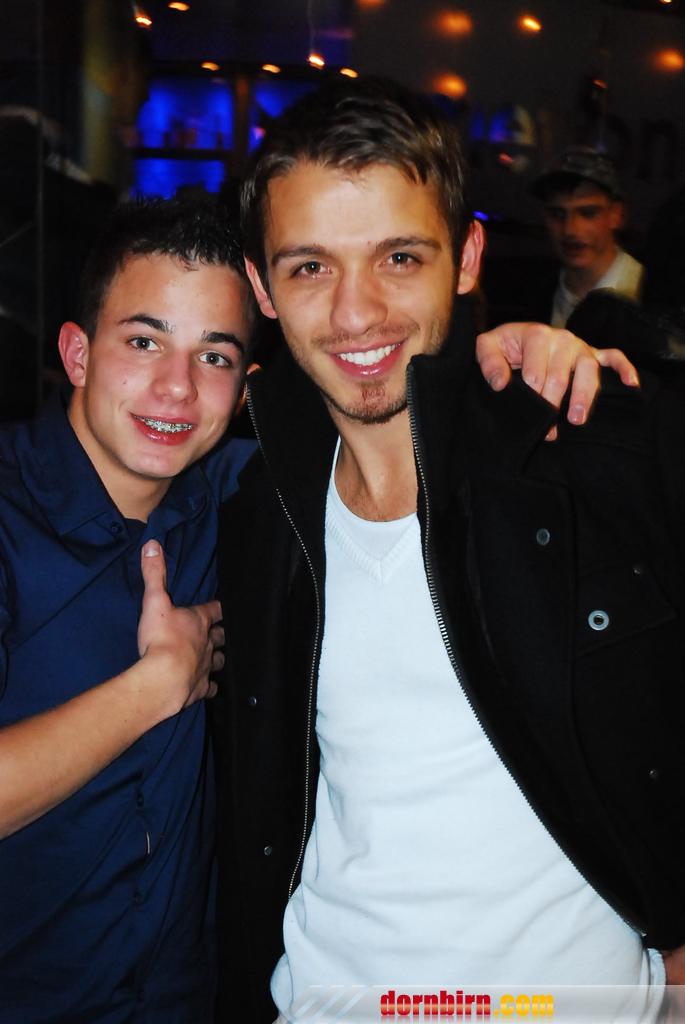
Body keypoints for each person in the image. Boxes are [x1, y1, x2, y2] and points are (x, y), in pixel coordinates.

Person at [213, 77, 685, 1023]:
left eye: (398, 257)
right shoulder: (262, 518)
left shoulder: (588, 450)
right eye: (309, 268)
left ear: (466, 257)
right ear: (262, 287)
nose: (356, 312)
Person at [0, 192, 257, 1023]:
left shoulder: (234, 499)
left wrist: (517, 366)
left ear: (243, 387)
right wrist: (156, 688)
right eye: (144, 342)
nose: (176, 388)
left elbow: (391, 443)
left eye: (213, 356)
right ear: (77, 354)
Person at [529, 146, 644, 328]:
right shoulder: (538, 298)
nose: (570, 230)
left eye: (588, 213)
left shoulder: (650, 293)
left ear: (616, 215)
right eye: (557, 214)